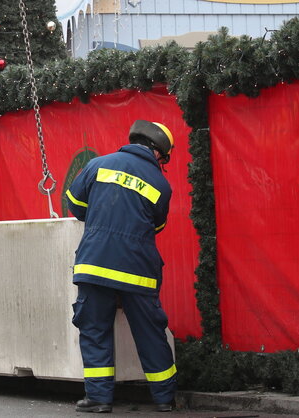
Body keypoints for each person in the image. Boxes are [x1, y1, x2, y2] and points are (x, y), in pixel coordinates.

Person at [64, 120, 177, 413]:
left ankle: (99, 399)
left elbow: (75, 205)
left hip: (96, 263)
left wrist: (103, 215)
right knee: (150, 332)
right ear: (156, 153)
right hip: (138, 270)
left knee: (94, 329)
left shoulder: (98, 165)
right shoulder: (161, 185)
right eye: (164, 159)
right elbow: (158, 225)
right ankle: (164, 398)